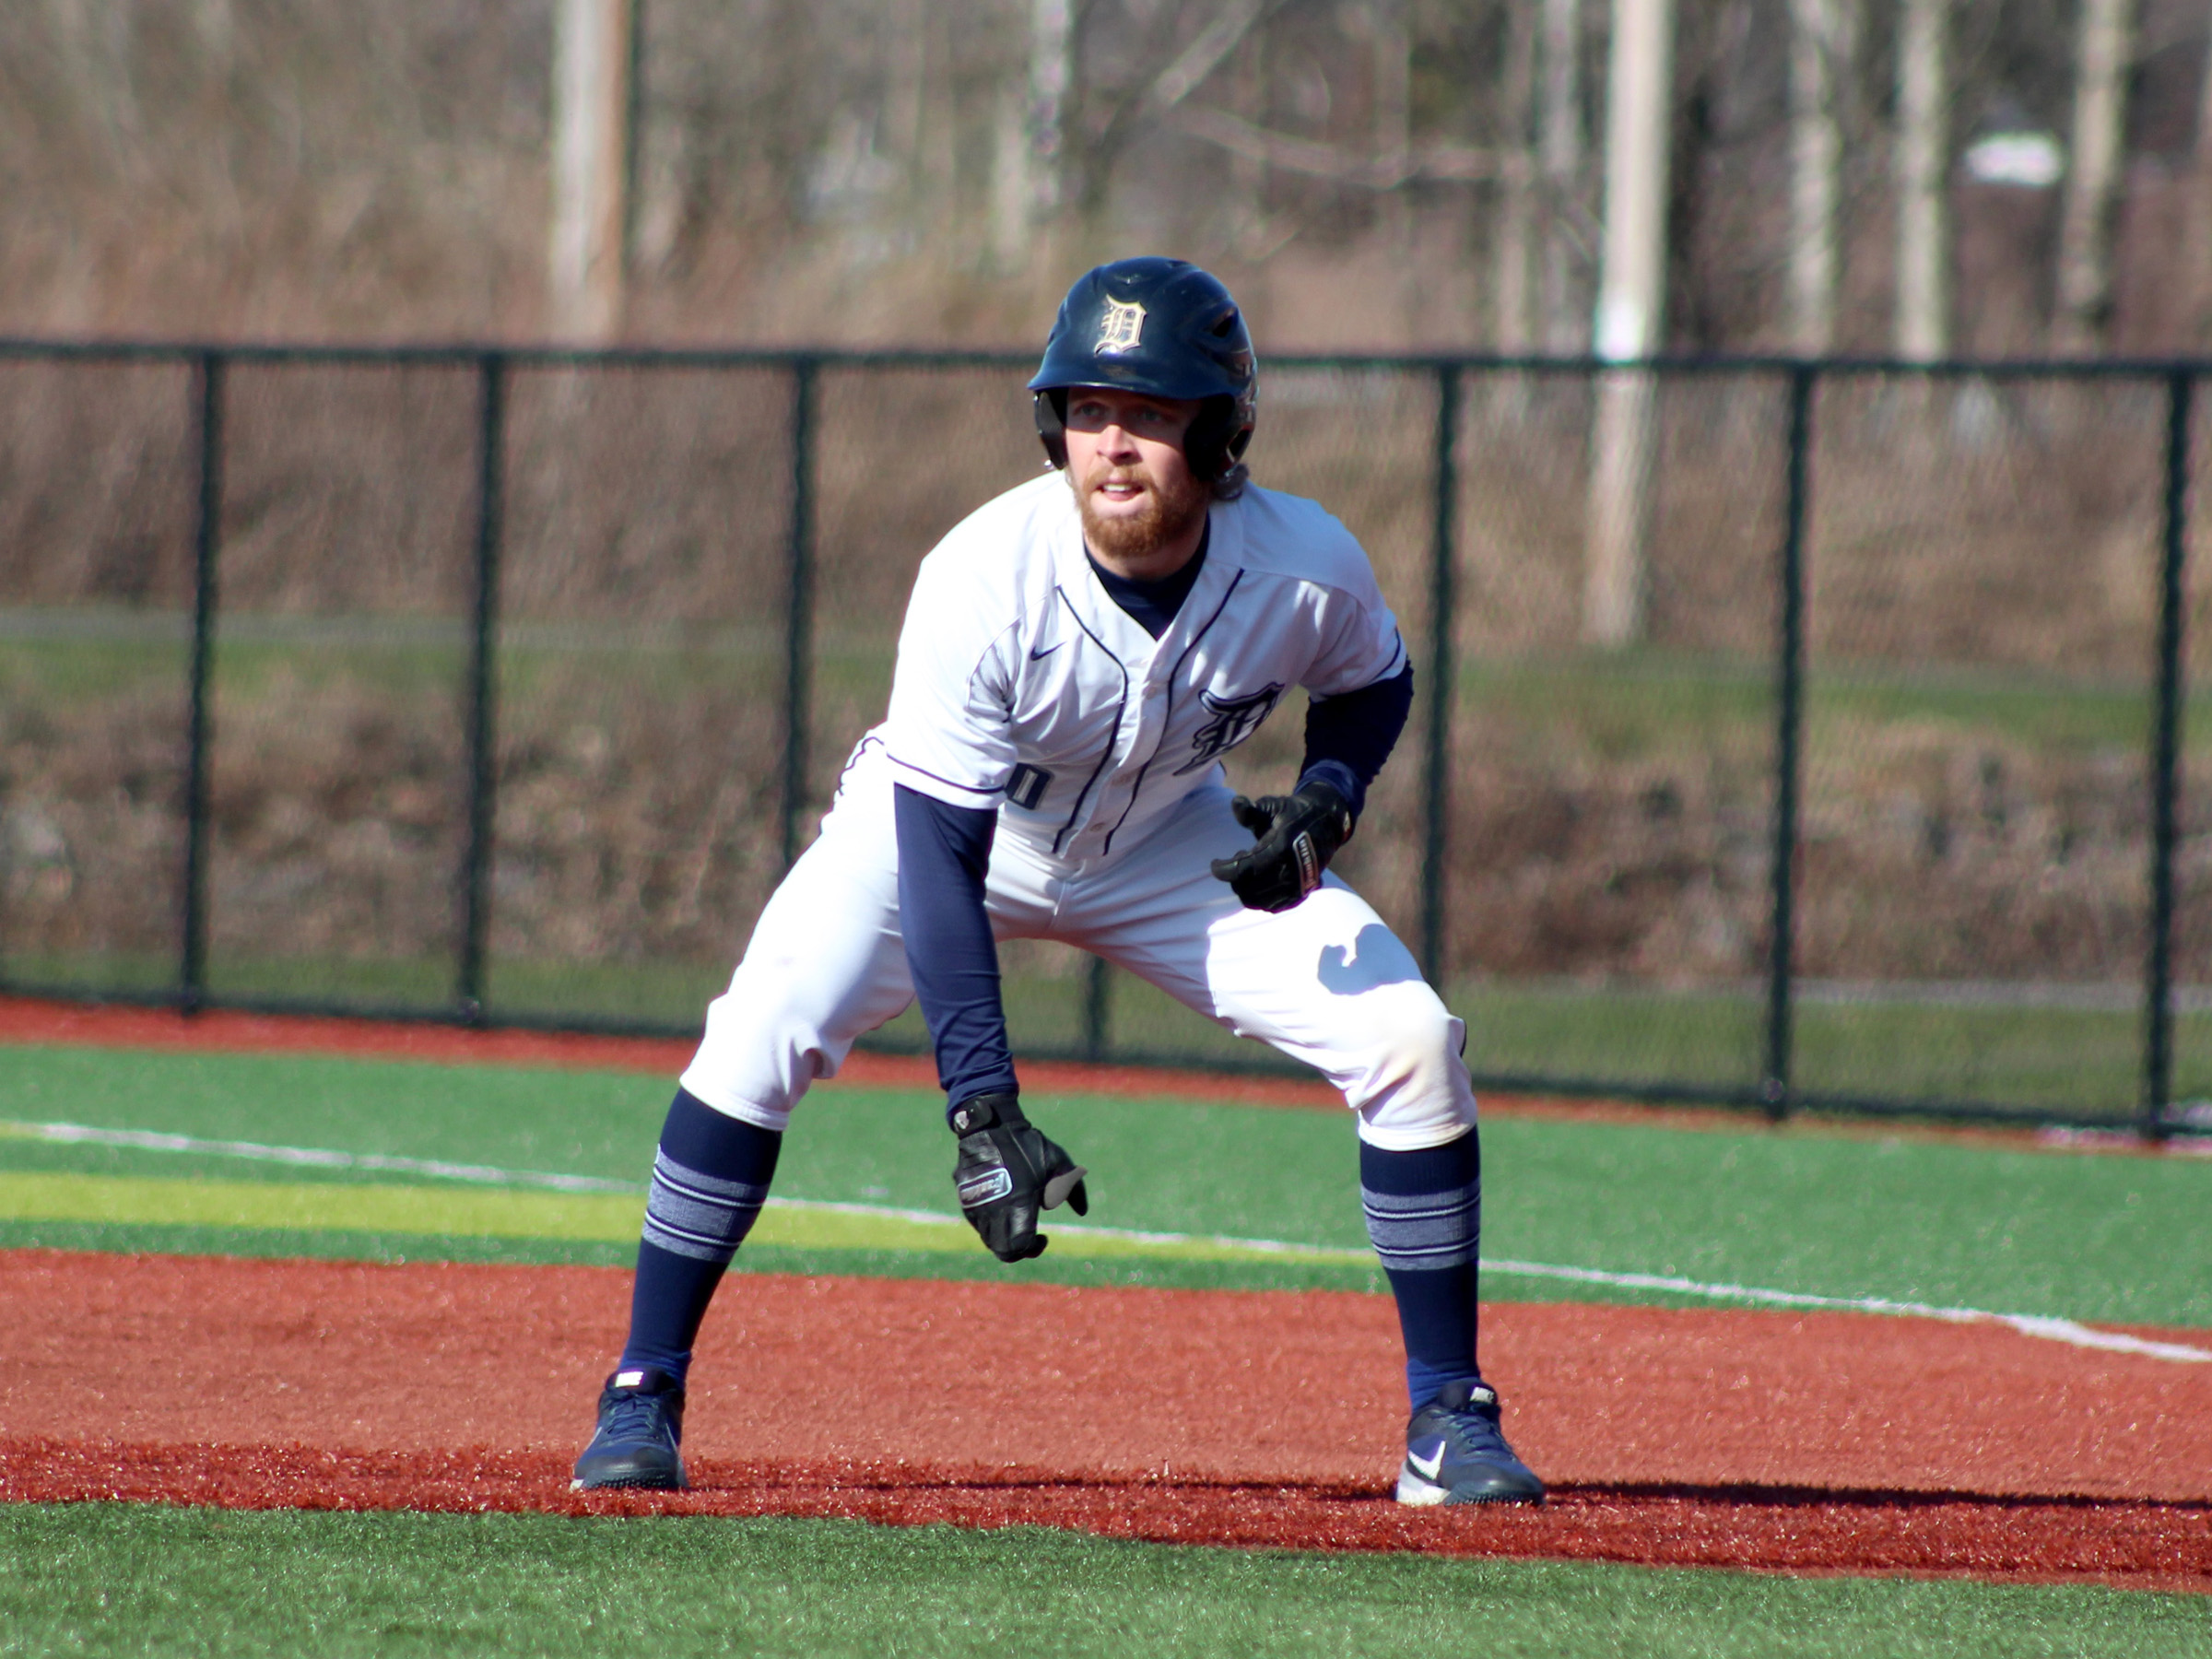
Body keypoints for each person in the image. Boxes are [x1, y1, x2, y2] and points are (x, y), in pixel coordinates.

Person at [570, 256, 1545, 1508]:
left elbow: (1372, 681)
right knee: (760, 1033)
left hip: (1163, 839)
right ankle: (641, 1392)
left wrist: (1328, 796)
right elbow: (937, 860)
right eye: (1089, 411)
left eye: (1150, 413)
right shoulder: (985, 576)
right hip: (939, 834)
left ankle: (1446, 1421)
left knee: (1410, 1037)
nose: (1115, 445)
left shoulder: (1303, 561)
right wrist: (982, 1108)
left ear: (1221, 433)